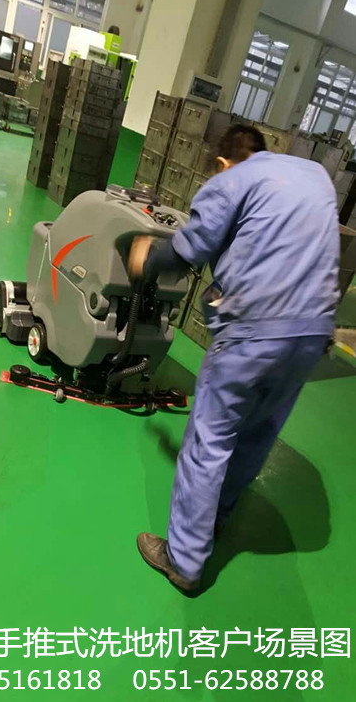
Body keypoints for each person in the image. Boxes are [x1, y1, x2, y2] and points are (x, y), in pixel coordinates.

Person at [129, 124, 340, 593]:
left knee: (210, 440)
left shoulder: (231, 181)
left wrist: (146, 258)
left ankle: (184, 560)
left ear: (223, 162)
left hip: (255, 331)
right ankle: (218, 517)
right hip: (312, 333)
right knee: (257, 432)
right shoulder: (315, 176)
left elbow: (188, 249)